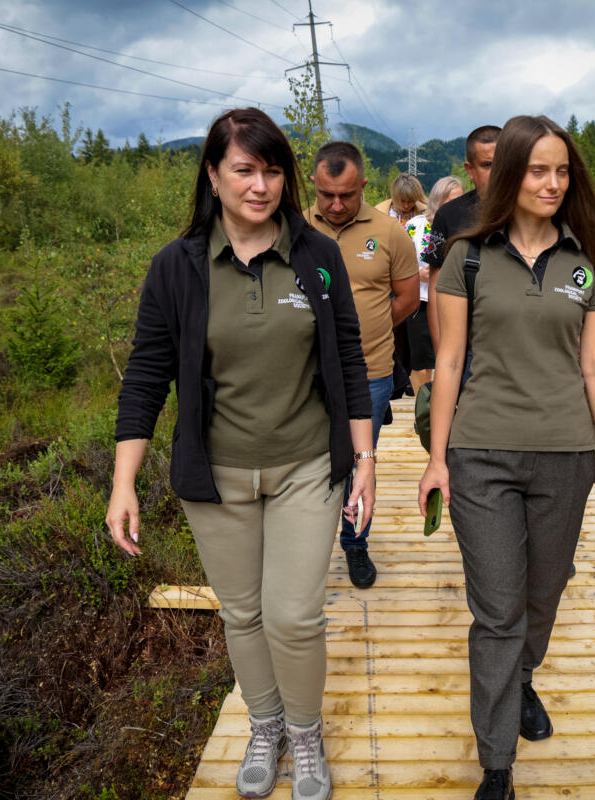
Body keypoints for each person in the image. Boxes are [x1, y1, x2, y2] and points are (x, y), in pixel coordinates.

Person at [107, 108, 375, 800]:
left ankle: (306, 733)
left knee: (293, 614)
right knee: (243, 613)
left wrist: (365, 460)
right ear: (214, 175)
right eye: (244, 170)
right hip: (216, 475)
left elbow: (347, 354)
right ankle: (265, 724)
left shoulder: (316, 256)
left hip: (306, 467)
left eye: (273, 169)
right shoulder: (178, 267)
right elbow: (146, 374)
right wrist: (123, 483)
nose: (261, 185)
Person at [416, 115, 595, 800]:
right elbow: (447, 363)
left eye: (562, 171)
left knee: (543, 595)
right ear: (509, 173)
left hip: (565, 456)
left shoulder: (581, 265)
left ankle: (522, 676)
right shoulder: (466, 259)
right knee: (498, 609)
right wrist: (437, 459)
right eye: (538, 169)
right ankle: (497, 763)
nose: (553, 183)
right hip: (481, 456)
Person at [307, 141, 419, 590]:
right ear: (313, 184)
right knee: (307, 466)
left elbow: (408, 298)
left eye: (348, 195)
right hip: (305, 375)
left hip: (370, 373)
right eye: (327, 194)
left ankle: (355, 545)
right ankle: (307, 550)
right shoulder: (291, 227)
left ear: (365, 186)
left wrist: (361, 330)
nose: (336, 205)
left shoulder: (390, 233)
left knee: (359, 462)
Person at [422, 124, 500, 352]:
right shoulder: (449, 215)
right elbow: (436, 290)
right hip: (467, 349)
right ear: (470, 169)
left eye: (503, 163)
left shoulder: (531, 213)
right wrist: (441, 353)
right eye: (487, 165)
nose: (497, 172)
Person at [404, 176, 464, 393]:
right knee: (423, 366)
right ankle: (424, 412)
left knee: (453, 360)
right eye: (451, 200)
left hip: (456, 301)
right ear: (438, 200)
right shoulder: (415, 227)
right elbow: (397, 263)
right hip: (420, 301)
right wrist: (416, 275)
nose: (458, 205)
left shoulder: (467, 226)